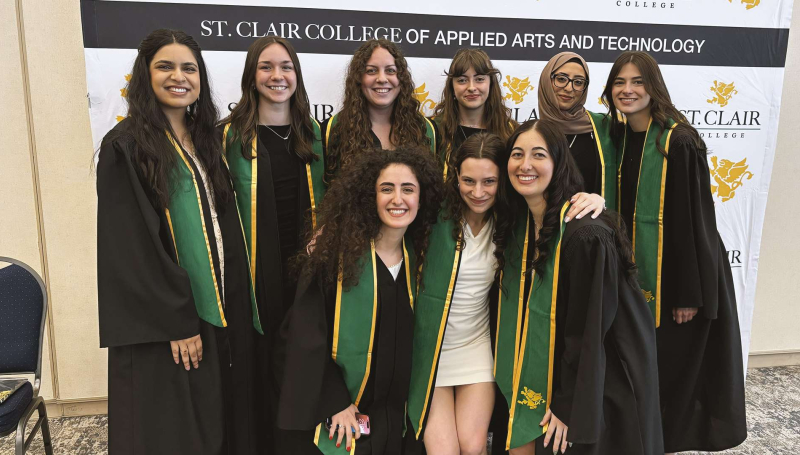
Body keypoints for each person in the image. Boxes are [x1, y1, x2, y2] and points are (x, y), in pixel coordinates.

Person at [97, 29, 262, 455]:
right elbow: (131, 247)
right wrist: (176, 321)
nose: (179, 76)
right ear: (144, 75)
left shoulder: (207, 139)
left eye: (189, 67)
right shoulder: (127, 146)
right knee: (175, 431)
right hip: (172, 321)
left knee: (216, 417)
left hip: (219, 310)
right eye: (165, 66)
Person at [602, 50, 747, 454]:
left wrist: (688, 294)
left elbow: (693, 222)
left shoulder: (677, 141)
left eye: (637, 82)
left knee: (674, 374)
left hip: (683, 274)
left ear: (654, 87)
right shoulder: (618, 137)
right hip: (639, 271)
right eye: (620, 82)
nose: (627, 90)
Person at [495, 119, 662, 454]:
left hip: (605, 378)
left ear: (558, 163)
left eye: (538, 155)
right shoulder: (525, 224)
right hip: (569, 368)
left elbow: (590, 329)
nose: (525, 165)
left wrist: (568, 403)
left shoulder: (584, 234)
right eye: (516, 154)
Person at [274, 147, 444, 454]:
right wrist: (334, 402)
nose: (398, 199)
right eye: (386, 189)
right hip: (344, 418)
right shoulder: (335, 259)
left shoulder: (421, 264)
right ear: (369, 196)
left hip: (396, 423)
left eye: (408, 189)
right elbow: (301, 336)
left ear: (422, 198)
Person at [220, 36, 325, 452]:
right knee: (257, 361)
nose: (277, 76)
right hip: (252, 271)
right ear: (251, 75)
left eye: (286, 67)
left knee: (299, 355)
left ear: (297, 76)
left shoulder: (312, 132)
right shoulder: (228, 137)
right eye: (266, 67)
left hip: (303, 268)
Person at [407, 133, 512, 455]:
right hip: (430, 349)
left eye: (489, 182)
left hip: (475, 346)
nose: (478, 192)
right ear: (455, 177)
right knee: (444, 451)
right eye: (468, 181)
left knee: (473, 444)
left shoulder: (510, 222)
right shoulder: (431, 216)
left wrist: (594, 199)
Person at [321, 39, 436, 183]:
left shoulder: (424, 129)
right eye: (371, 71)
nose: (382, 79)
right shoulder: (332, 130)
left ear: (402, 78)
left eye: (390, 70)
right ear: (358, 79)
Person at [537, 52, 616, 201]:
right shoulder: (532, 133)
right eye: (561, 79)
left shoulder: (604, 127)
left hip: (592, 221)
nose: (569, 88)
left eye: (578, 82)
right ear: (547, 80)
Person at [430, 48, 516, 180]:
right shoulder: (432, 130)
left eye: (479, 79)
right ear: (452, 87)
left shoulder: (511, 131)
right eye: (462, 80)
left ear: (491, 84)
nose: (471, 87)